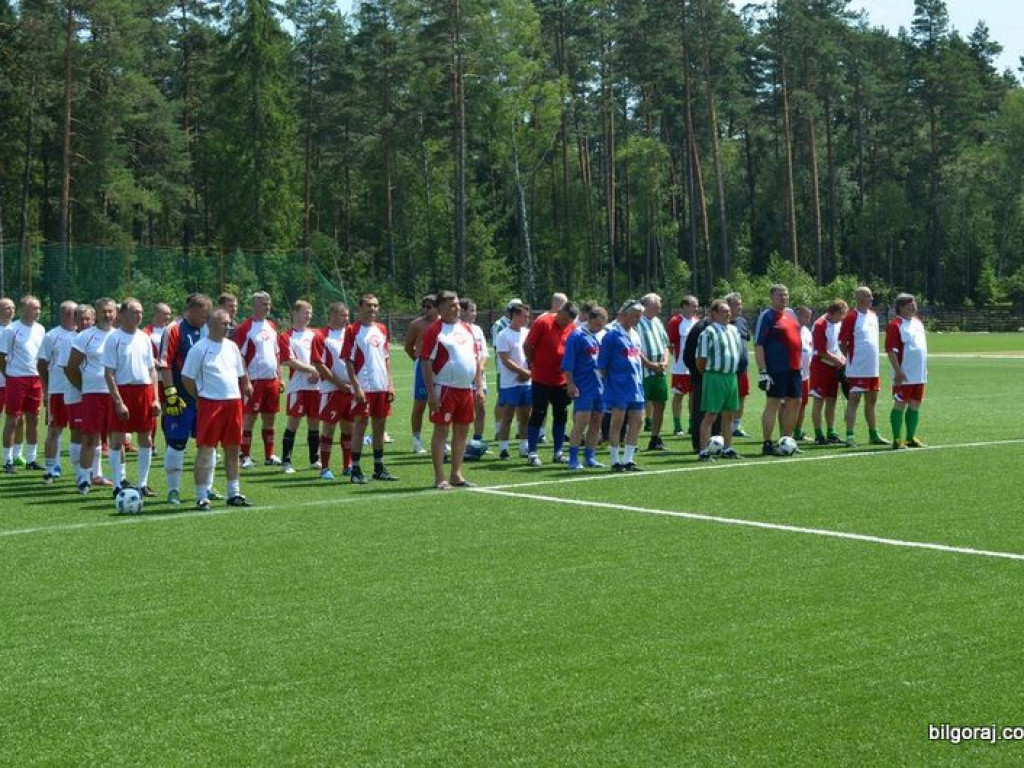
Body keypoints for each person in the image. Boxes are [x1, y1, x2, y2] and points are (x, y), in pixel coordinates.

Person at [181, 309, 252, 509]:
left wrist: (245, 384)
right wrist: (200, 396)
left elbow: (240, 371)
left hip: (234, 403)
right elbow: (187, 377)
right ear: (211, 324)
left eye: (229, 323)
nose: (228, 327)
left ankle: (234, 492)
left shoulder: (232, 347)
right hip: (210, 404)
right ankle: (202, 495)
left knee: (232, 449)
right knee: (206, 450)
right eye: (224, 323)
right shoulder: (199, 349)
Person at [420, 290, 485, 489]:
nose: (456, 308)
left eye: (456, 304)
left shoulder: (467, 328)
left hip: (466, 390)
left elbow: (475, 360)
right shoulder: (435, 331)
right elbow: (426, 362)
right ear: (440, 308)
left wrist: (479, 388)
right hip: (445, 389)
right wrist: (431, 394)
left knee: (462, 432)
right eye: (450, 305)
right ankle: (440, 477)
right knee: (441, 432)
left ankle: (456, 474)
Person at [102, 298, 160, 497]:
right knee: (117, 440)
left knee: (146, 440)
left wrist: (156, 398)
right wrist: (118, 401)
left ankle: (142, 484)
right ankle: (118, 485)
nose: (139, 315)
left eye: (141, 312)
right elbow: (108, 373)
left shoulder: (145, 338)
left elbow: (152, 370)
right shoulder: (114, 338)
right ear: (123, 314)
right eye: (135, 312)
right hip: (123, 392)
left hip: (144, 392)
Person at [159, 293, 213, 505]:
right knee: (177, 444)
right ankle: (173, 490)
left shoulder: (207, 329)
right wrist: (171, 394)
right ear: (191, 311)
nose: (204, 320)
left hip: (205, 398)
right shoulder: (174, 328)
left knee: (208, 444)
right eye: (202, 315)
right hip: (181, 398)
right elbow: (165, 364)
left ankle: (207, 488)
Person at [342, 293, 397, 484]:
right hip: (364, 387)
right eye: (368, 305)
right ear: (360, 308)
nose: (372, 309)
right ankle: (355, 469)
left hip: (381, 386)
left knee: (380, 426)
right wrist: (356, 387)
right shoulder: (352, 330)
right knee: (360, 425)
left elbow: (386, 358)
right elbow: (348, 361)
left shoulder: (381, 329)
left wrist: (390, 383)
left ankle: (379, 467)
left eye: (375, 306)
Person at [66, 297, 117, 493]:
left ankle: (119, 480)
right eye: (104, 311)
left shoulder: (118, 336)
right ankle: (83, 478)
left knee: (116, 439)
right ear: (96, 314)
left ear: (116, 313)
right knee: (89, 438)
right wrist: (83, 386)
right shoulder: (85, 337)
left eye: (110, 311)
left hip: (114, 395)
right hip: (93, 394)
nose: (107, 315)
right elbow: (71, 368)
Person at [523, 300, 578, 465]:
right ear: (559, 312)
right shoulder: (543, 321)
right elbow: (528, 345)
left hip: (561, 380)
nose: (565, 324)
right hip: (541, 378)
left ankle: (558, 452)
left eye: (568, 322)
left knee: (561, 415)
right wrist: (532, 363)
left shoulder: (572, 328)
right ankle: (532, 452)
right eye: (564, 320)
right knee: (538, 414)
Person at [235, 291, 283, 467]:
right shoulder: (245, 327)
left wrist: (280, 377)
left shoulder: (271, 325)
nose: (267, 306)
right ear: (254, 305)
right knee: (249, 419)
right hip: (254, 381)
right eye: (264, 303)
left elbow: (276, 353)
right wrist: (245, 380)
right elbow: (240, 356)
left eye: (269, 303)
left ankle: (269, 455)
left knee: (270, 419)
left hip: (272, 381)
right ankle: (244, 457)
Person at [754, 284, 803, 456]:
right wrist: (762, 370)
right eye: (780, 295)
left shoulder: (790, 314)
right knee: (773, 403)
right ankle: (767, 443)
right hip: (776, 369)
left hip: (795, 367)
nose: (784, 298)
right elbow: (759, 345)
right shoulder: (766, 316)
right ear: (771, 297)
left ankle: (787, 441)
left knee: (795, 402)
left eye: (786, 294)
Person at [598, 300, 647, 472]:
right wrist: (610, 382)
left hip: (636, 385)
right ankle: (614, 459)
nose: (637, 319)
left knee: (637, 420)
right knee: (617, 421)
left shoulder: (635, 334)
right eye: (635, 315)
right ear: (625, 315)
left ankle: (628, 459)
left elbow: (637, 358)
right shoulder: (611, 336)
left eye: (639, 316)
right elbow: (602, 365)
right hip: (618, 386)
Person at [1, 295, 46, 473]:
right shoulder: (11, 330)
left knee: (33, 419)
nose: (38, 311)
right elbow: (2, 357)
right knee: (12, 419)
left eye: (39, 308)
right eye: (34, 308)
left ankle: (31, 459)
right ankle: (7, 460)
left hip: (35, 378)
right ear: (24, 310)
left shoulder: (41, 329)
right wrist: (11, 375)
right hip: (16, 379)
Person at [840, 286, 889, 446]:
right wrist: (850, 361)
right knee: (854, 401)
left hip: (872, 368)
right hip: (857, 368)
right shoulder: (851, 316)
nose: (871, 298)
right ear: (859, 298)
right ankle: (850, 436)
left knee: (872, 401)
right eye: (867, 296)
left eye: (871, 296)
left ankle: (874, 434)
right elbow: (843, 342)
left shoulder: (874, 316)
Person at [695, 300, 744, 461]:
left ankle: (727, 448)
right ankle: (703, 451)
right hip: (715, 376)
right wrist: (708, 374)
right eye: (724, 311)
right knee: (711, 415)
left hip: (731, 376)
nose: (728, 313)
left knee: (729, 415)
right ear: (714, 314)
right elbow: (700, 360)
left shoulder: (733, 330)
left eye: (729, 310)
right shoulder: (707, 332)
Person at [311, 302, 354, 480]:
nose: (346, 319)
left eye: (347, 315)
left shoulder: (351, 333)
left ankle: (348, 465)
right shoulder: (321, 336)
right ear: (333, 315)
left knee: (349, 429)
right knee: (328, 429)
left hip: (351, 389)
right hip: (331, 390)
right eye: (342, 315)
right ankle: (325, 468)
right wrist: (339, 383)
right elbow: (319, 364)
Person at [278, 300, 321, 474]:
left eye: (310, 313)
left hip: (316, 386)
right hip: (297, 386)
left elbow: (322, 358)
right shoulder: (286, 336)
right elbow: (288, 360)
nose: (309, 315)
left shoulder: (316, 334)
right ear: (295, 313)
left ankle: (314, 459)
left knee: (314, 423)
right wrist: (312, 369)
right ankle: (286, 462)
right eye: (305, 312)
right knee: (293, 423)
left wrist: (317, 371)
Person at [38, 300, 78, 483]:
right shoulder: (51, 336)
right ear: (62, 315)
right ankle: (51, 467)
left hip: (78, 391)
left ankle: (82, 471)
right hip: (58, 390)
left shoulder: (83, 334)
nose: (73, 317)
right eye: (69, 313)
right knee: (55, 429)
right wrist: (47, 390)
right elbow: (42, 364)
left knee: (80, 430)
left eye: (75, 313)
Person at [563, 304, 607, 470]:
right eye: (597, 325)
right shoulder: (577, 335)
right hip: (584, 385)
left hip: (601, 386)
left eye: (602, 325)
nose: (599, 328)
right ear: (590, 320)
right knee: (581, 421)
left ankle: (590, 456)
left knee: (596, 422)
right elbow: (568, 363)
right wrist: (570, 383)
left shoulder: (603, 335)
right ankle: (573, 458)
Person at [56, 305, 95, 486]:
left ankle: (95, 474)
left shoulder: (97, 337)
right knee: (78, 433)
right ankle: (79, 473)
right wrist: (82, 387)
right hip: (76, 393)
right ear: (75, 320)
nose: (84, 322)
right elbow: (67, 368)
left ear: (93, 319)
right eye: (81, 318)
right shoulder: (69, 340)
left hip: (95, 394)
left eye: (88, 318)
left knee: (94, 434)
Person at [886, 293, 929, 449]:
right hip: (904, 374)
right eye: (910, 304)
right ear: (901, 307)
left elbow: (921, 349)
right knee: (900, 404)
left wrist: (925, 368)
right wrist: (897, 371)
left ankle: (910, 437)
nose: (914, 306)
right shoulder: (895, 325)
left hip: (919, 374)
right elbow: (891, 351)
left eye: (914, 304)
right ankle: (897, 439)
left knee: (915, 404)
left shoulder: (918, 323)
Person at [494, 300, 532, 461]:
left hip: (526, 381)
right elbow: (504, 359)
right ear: (515, 316)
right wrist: (521, 371)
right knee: (507, 416)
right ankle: (504, 448)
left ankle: (524, 447)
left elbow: (531, 354)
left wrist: (529, 372)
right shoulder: (503, 334)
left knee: (525, 416)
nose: (527, 319)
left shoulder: (527, 332)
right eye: (524, 316)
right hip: (510, 382)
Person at [809, 299, 849, 445]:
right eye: (841, 314)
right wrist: (838, 361)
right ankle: (818, 434)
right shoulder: (820, 325)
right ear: (833, 313)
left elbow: (838, 345)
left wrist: (843, 359)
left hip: (834, 367)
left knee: (832, 400)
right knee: (819, 400)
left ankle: (831, 432)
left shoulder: (838, 323)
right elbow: (821, 351)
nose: (843, 317)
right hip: (821, 367)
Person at [404, 294, 438, 454]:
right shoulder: (417, 324)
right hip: (423, 366)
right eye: (423, 307)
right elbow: (408, 346)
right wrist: (418, 361)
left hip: (441, 367)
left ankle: (441, 440)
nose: (425, 310)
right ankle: (416, 440)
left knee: (442, 403)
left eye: (429, 307)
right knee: (420, 404)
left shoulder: (444, 324)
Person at [637, 293, 671, 451]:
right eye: (657, 306)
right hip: (643, 371)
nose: (659, 309)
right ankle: (633, 440)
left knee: (660, 404)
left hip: (659, 371)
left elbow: (665, 344)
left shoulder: (658, 322)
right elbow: (634, 348)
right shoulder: (637, 322)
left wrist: (665, 361)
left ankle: (655, 437)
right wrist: (649, 364)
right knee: (639, 406)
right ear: (647, 306)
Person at [666, 295, 699, 436]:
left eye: (696, 305)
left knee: (693, 395)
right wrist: (679, 360)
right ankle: (677, 425)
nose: (696, 308)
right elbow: (671, 344)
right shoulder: (675, 321)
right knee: (678, 395)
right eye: (693, 305)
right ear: (685, 305)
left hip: (695, 366)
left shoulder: (697, 321)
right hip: (680, 367)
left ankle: (692, 424)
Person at [459, 298, 490, 446]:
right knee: (462, 410)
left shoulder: (477, 329)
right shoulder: (457, 329)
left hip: (479, 377)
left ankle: (477, 440)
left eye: (475, 310)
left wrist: (480, 368)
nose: (474, 314)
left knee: (481, 407)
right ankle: (457, 441)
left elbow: (484, 353)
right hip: (463, 376)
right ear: (462, 311)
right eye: (472, 310)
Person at [725, 292, 751, 437]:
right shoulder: (722, 323)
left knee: (742, 396)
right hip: (727, 369)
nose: (740, 307)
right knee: (727, 399)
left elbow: (746, 340)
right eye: (737, 304)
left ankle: (736, 426)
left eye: (741, 304)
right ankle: (723, 426)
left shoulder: (742, 321)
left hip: (743, 369)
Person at [792, 306, 814, 441]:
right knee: (788, 404)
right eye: (805, 316)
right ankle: (785, 433)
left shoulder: (806, 331)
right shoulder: (790, 329)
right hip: (792, 373)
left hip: (805, 375)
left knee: (803, 403)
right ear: (797, 315)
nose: (807, 320)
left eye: (809, 317)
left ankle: (798, 432)